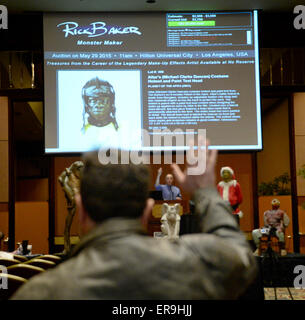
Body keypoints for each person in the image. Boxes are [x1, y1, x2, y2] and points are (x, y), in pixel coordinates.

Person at [11, 142, 257, 300]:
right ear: (148, 210)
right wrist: (205, 192)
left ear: (82, 210)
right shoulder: (200, 264)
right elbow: (239, 252)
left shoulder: (40, 293)